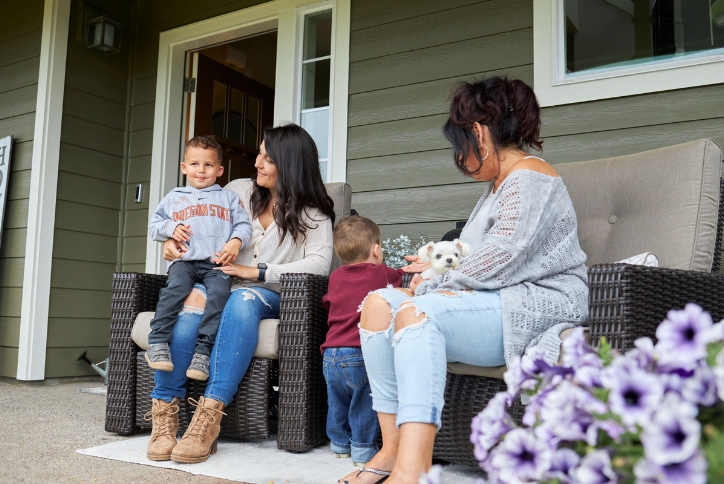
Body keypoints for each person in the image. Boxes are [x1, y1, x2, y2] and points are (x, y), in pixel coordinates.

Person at [338, 77, 589, 484]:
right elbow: (468, 259)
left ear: (479, 132)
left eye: (460, 145)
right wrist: (430, 272)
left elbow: (500, 258)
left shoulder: (530, 177)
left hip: (532, 302)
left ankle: (413, 470)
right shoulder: (496, 187)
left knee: (417, 313)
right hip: (490, 299)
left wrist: (429, 285)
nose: (459, 157)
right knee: (377, 304)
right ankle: (392, 446)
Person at [145, 124, 336, 464]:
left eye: (266, 157)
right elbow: (196, 227)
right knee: (188, 313)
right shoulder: (237, 191)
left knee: (242, 300)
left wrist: (258, 272)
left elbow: (320, 264)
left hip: (268, 293)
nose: (257, 163)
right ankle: (165, 414)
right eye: (259, 154)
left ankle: (210, 416)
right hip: (218, 282)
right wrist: (174, 244)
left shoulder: (313, 211)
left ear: (289, 163)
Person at [145, 136, 252, 381]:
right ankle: (158, 342)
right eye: (194, 164)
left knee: (218, 298)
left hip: (217, 264)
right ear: (184, 167)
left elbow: (244, 226)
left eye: (208, 165)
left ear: (219, 170)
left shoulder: (228, 198)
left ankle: (202, 354)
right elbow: (154, 226)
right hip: (184, 262)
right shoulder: (175, 196)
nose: (201, 171)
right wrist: (171, 229)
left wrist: (235, 241)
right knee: (175, 290)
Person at [321, 216, 407, 467]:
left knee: (336, 401)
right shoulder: (384, 273)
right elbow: (399, 282)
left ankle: (339, 445)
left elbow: (327, 301)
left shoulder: (336, 276)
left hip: (331, 353)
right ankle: (362, 450)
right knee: (364, 403)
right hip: (360, 352)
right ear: (376, 250)